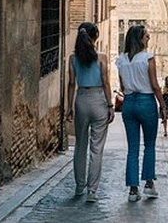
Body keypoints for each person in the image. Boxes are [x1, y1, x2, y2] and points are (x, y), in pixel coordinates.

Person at [65, 22, 114, 203]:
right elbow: (106, 82)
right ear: (96, 36)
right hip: (98, 99)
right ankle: (92, 191)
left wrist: (69, 107)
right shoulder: (101, 57)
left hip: (81, 99)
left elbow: (71, 84)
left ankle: (79, 186)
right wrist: (110, 105)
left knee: (80, 146)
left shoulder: (72, 58)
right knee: (96, 149)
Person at [117, 24, 166, 202]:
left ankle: (132, 190)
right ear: (139, 39)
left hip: (129, 103)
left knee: (132, 148)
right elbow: (154, 85)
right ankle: (149, 184)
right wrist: (163, 105)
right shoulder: (148, 58)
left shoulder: (121, 60)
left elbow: (122, 87)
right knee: (150, 145)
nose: (148, 39)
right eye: (146, 36)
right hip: (146, 102)